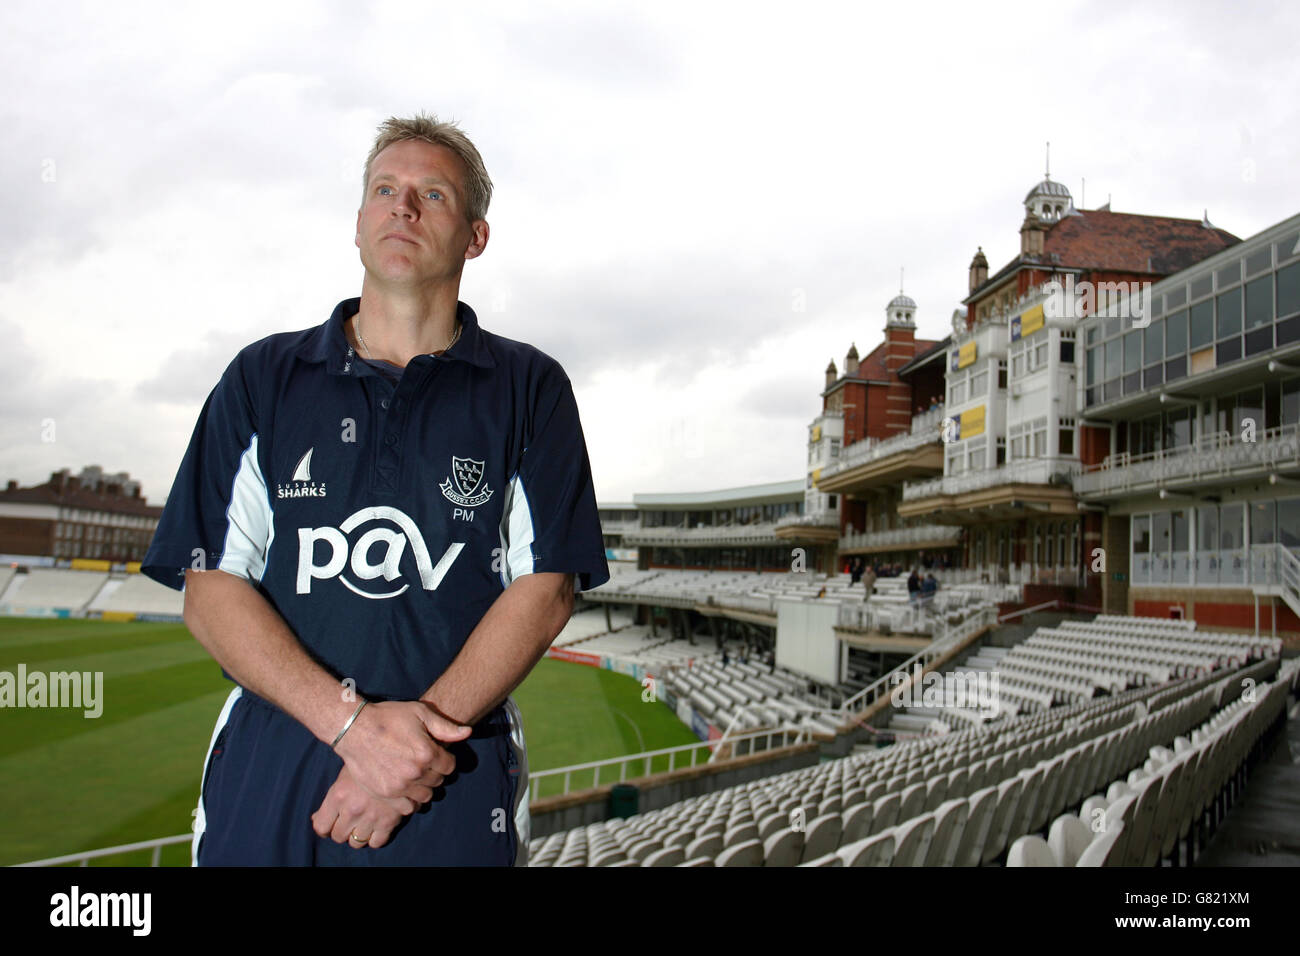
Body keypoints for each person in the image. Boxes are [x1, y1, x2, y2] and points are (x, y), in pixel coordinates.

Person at [141, 114, 609, 866]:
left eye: (434, 194)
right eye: (385, 189)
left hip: (451, 770)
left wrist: (407, 761)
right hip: (276, 754)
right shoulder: (263, 377)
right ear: (358, 221)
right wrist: (352, 729)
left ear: (475, 236)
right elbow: (208, 581)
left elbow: (547, 586)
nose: (404, 207)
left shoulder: (531, 386)